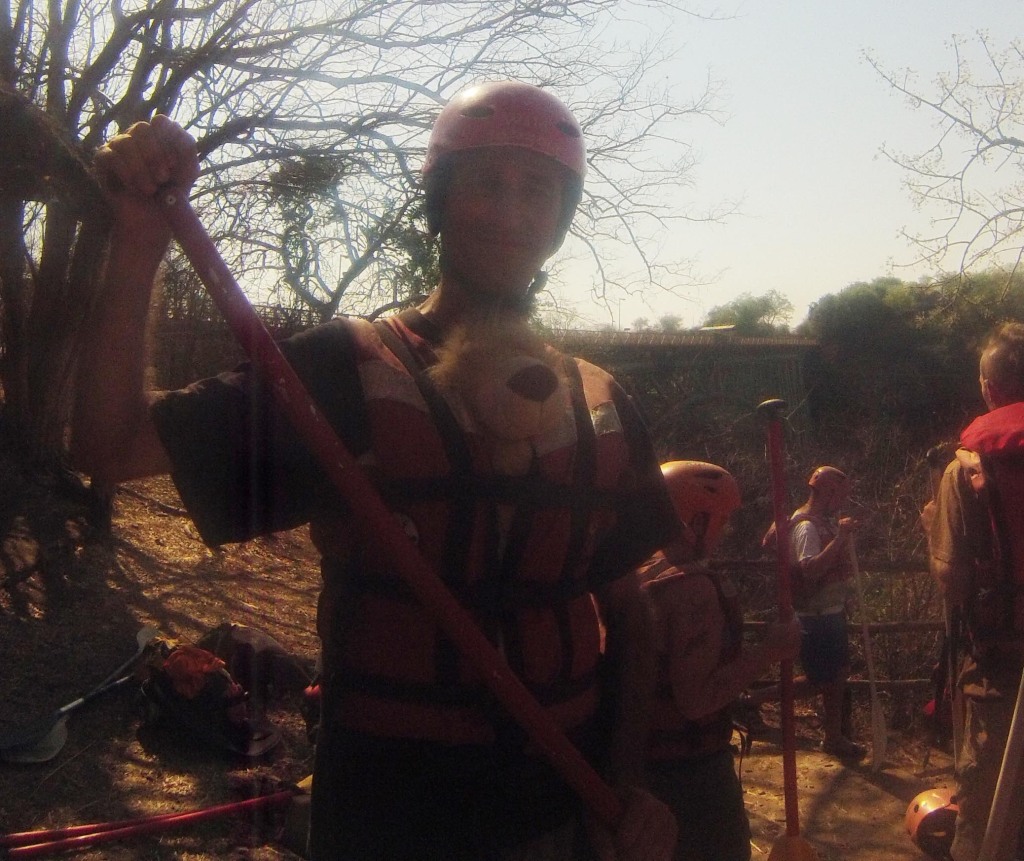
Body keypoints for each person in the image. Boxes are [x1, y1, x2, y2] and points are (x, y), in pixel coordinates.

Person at [73, 81, 682, 860]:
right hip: (387, 814)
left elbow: (631, 613)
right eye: (484, 182)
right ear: (439, 199)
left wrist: (624, 787)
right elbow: (109, 445)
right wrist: (136, 239)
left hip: (560, 812)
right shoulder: (345, 371)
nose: (509, 212)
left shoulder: (600, 401)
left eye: (537, 189)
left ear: (560, 219)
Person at [636, 461, 801, 861]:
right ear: (693, 519)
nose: (724, 532)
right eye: (721, 520)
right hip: (691, 778)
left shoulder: (641, 570)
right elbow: (696, 700)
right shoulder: (691, 589)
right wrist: (770, 652)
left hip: (641, 768)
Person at [926, 321, 1024, 861]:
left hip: (1002, 668)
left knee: (989, 821)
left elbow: (953, 580)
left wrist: (930, 530)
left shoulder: (967, 472)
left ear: (988, 387)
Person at [750, 465, 864, 760]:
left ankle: (834, 736)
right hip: (815, 615)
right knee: (820, 679)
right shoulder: (806, 527)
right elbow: (810, 570)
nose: (842, 500)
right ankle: (751, 699)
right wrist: (840, 539)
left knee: (836, 676)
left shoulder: (822, 522)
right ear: (828, 492)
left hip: (831, 611)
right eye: (839, 494)